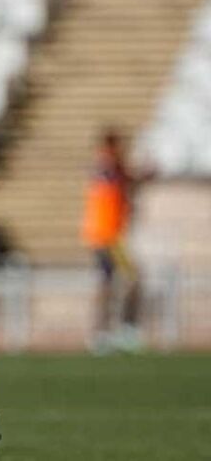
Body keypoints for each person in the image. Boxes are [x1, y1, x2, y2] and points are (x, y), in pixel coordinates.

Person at [81, 128, 148, 354]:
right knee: (131, 278)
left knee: (109, 282)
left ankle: (104, 332)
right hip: (108, 237)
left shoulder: (107, 168)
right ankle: (122, 329)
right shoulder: (107, 166)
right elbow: (122, 178)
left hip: (104, 235)